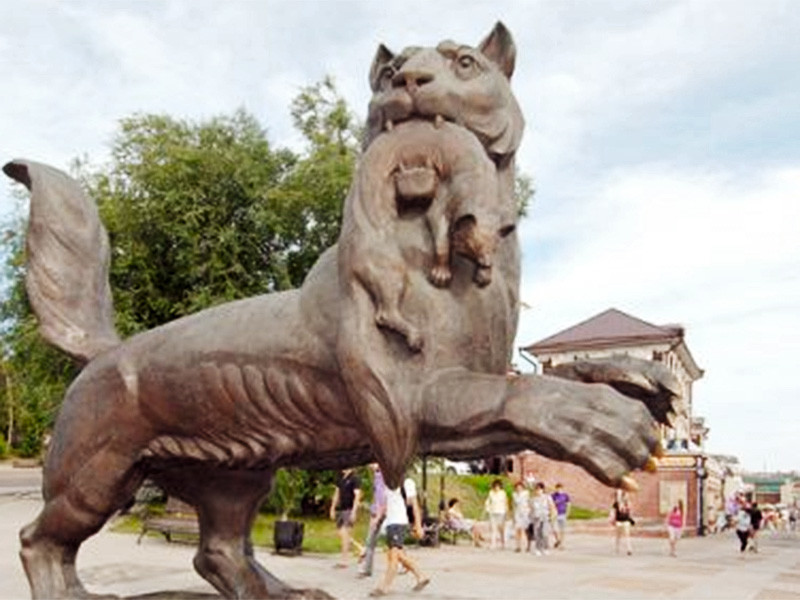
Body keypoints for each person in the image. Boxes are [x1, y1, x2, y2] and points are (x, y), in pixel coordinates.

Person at [370, 477, 430, 597]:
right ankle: (421, 576)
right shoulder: (388, 483)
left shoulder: (407, 482)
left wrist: (418, 525)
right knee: (398, 555)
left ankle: (384, 587)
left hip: (399, 523)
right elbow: (385, 505)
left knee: (394, 556)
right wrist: (377, 518)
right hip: (390, 524)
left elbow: (415, 505)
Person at [330, 468, 362, 569]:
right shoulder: (340, 478)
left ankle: (344, 561)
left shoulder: (355, 478)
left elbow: (357, 496)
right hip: (341, 508)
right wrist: (332, 508)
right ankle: (360, 549)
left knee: (344, 534)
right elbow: (336, 493)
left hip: (349, 509)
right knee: (341, 534)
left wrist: (354, 511)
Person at [358, 463, 386, 578]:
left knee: (371, 541)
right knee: (370, 542)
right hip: (377, 511)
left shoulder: (382, 477)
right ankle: (367, 568)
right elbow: (377, 498)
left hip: (381, 513)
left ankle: (366, 568)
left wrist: (377, 517)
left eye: (373, 463)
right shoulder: (377, 476)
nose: (370, 466)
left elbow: (382, 499)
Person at [530, 482, 554, 556]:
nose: (538, 491)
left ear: (543, 489)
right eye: (536, 489)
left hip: (545, 517)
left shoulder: (547, 497)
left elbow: (551, 506)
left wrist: (552, 515)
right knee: (537, 534)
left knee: (544, 533)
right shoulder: (533, 499)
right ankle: (538, 548)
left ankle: (546, 548)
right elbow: (531, 509)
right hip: (536, 517)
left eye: (540, 489)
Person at [484, 479, 508, 550]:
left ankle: (503, 543)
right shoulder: (491, 493)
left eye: (498, 486)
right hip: (493, 512)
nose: (496, 488)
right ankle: (493, 544)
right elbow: (488, 502)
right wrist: (488, 509)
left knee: (501, 529)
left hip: (501, 512)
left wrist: (506, 511)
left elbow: (505, 502)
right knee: (493, 528)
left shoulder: (503, 493)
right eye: (495, 486)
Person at [612, 489, 634, 555]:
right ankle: (617, 548)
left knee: (627, 535)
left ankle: (629, 548)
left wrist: (631, 517)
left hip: (626, 521)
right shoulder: (616, 504)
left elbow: (630, 510)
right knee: (618, 536)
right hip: (619, 521)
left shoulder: (627, 503)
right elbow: (613, 512)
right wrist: (613, 519)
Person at [511, 481, 531, 552]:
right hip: (517, 513)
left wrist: (530, 511)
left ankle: (526, 545)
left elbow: (529, 502)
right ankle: (518, 546)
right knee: (517, 529)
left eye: (520, 487)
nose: (518, 489)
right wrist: (513, 514)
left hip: (525, 512)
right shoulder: (514, 495)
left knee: (524, 530)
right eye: (517, 487)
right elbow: (513, 504)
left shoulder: (526, 493)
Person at [551, 483, 571, 549]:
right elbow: (550, 504)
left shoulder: (565, 495)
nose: (558, 489)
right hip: (555, 514)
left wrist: (567, 513)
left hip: (563, 513)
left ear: (562, 488)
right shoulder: (553, 495)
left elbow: (568, 504)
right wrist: (554, 503)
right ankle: (558, 540)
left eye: (560, 488)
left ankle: (561, 544)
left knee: (562, 530)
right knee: (554, 529)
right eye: (557, 488)